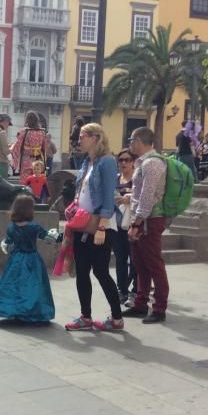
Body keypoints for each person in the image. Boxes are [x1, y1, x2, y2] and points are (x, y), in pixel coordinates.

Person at [63, 123, 124, 331]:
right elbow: (82, 192)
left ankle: (116, 318)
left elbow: (108, 196)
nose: (79, 139)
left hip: (99, 225)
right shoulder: (86, 162)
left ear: (96, 137)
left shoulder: (106, 162)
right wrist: (73, 205)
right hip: (82, 223)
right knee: (81, 271)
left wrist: (102, 227)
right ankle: (85, 316)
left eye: (83, 136)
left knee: (100, 271)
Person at [124, 126, 169, 323]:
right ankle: (140, 303)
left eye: (131, 140)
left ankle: (159, 308)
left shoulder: (151, 164)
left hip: (149, 220)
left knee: (153, 264)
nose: (130, 144)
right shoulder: (144, 163)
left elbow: (147, 196)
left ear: (139, 141)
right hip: (143, 219)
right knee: (140, 263)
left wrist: (137, 222)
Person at [0, 194, 56, 323]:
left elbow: (8, 243)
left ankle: (14, 310)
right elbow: (49, 238)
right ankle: (32, 310)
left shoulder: (11, 227)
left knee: (13, 284)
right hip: (32, 259)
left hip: (16, 259)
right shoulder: (34, 227)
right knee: (34, 285)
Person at [112, 149, 137, 303]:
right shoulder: (115, 179)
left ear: (133, 162)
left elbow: (146, 196)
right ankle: (122, 290)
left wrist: (130, 198)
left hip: (133, 223)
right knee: (120, 259)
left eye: (127, 160)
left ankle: (135, 289)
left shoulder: (137, 178)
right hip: (116, 223)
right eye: (120, 160)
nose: (123, 163)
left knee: (134, 260)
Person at [11, 111, 48, 180]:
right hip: (38, 161)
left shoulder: (24, 132)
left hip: (26, 161)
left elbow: (16, 148)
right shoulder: (42, 132)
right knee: (37, 181)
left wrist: (14, 163)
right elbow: (45, 148)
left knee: (26, 182)